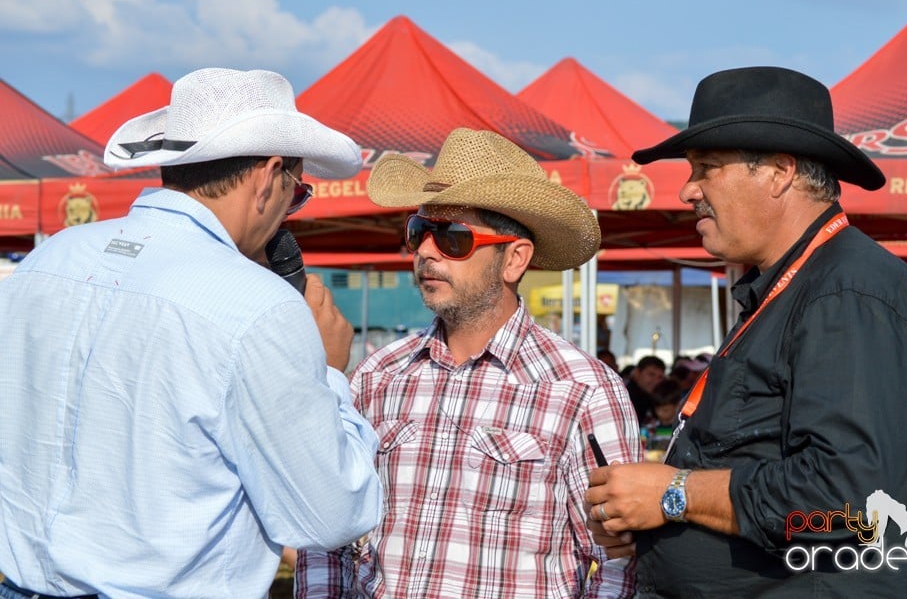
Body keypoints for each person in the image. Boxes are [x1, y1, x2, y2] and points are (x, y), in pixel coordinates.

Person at [0, 68, 383, 598]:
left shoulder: (49, 259)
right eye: (297, 194)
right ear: (270, 177)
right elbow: (332, 513)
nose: (286, 216)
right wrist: (328, 373)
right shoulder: (258, 303)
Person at [585, 66, 907, 596]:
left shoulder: (847, 290)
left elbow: (849, 507)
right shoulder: (792, 288)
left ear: (779, 171)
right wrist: (657, 520)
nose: (687, 190)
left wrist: (674, 494)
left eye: (706, 168)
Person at [296, 128, 642, 597]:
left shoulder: (582, 389)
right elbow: (327, 528)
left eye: (453, 239)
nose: (425, 252)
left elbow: (619, 562)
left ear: (514, 259)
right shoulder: (377, 377)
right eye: (418, 232)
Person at [624, 355, 666, 427]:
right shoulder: (627, 396)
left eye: (660, 377)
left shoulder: (654, 398)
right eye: (651, 374)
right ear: (637, 373)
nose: (656, 380)